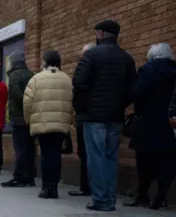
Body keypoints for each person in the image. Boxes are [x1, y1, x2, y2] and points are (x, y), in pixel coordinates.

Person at [73, 20, 137, 212]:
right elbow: (133, 90)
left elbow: (79, 82)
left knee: (96, 158)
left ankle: (100, 200)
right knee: (110, 158)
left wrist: (84, 108)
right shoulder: (127, 58)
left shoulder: (91, 55)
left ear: (100, 34)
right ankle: (109, 199)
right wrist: (119, 105)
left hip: (94, 117)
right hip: (115, 116)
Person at [123, 43, 176, 210]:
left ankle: (143, 195)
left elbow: (138, 92)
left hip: (149, 122)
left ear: (152, 56)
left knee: (144, 162)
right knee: (167, 162)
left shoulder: (148, 70)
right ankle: (160, 197)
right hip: (170, 124)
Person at [23, 51, 73, 199]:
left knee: (45, 155)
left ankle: (46, 188)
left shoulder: (36, 79)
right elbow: (72, 102)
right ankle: (54, 187)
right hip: (60, 124)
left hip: (42, 123)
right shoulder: (66, 79)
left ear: (45, 61)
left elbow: (27, 103)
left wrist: (29, 121)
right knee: (56, 155)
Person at [1, 50, 36, 188]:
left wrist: (24, 106)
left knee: (20, 147)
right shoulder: (31, 74)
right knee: (30, 147)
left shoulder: (15, 75)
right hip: (31, 117)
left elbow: (15, 94)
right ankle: (30, 176)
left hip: (19, 116)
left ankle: (19, 177)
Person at [68, 43, 96, 197]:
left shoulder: (84, 70)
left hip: (85, 116)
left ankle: (87, 187)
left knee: (86, 153)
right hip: (101, 115)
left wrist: (77, 110)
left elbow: (77, 91)